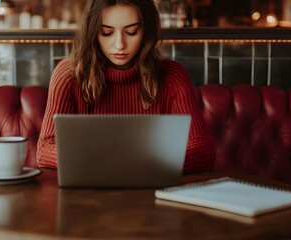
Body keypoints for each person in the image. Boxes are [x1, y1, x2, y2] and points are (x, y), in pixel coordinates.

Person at [36, 0, 216, 173]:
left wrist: (138, 164)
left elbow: (203, 149)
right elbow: (45, 149)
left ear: (146, 31)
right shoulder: (68, 75)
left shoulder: (173, 76)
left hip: (152, 195)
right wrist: (114, 162)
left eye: (131, 32)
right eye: (106, 32)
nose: (119, 45)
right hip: (88, 197)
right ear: (92, 32)